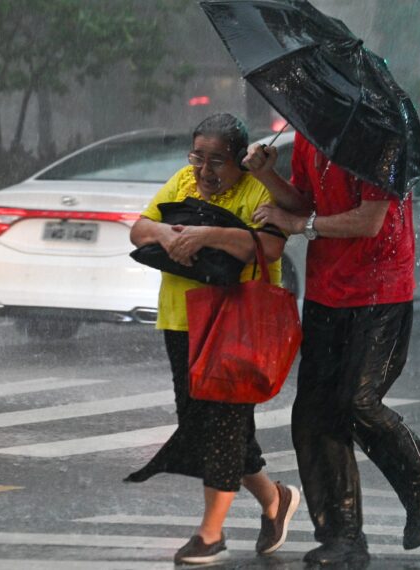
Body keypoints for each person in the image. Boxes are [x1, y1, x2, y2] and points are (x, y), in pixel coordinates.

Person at [245, 132, 420, 565]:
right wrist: (267, 176)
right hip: (326, 291)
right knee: (316, 417)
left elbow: (370, 219)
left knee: (358, 402)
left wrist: (302, 226)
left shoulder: (380, 136)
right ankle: (342, 538)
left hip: (381, 292)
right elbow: (304, 200)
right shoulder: (308, 134)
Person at [125, 113, 300, 565]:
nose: (204, 171)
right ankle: (275, 498)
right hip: (182, 322)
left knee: (222, 427)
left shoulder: (259, 190)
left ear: (240, 161)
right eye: (197, 157)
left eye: (217, 161)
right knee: (206, 425)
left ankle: (210, 534)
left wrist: (208, 234)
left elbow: (269, 247)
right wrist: (166, 231)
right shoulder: (182, 181)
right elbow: (140, 229)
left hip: (236, 324)